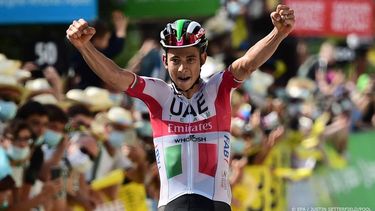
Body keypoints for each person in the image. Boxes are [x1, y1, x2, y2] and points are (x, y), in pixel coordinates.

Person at [66, 4, 295, 211]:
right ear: (165, 61)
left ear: (203, 58)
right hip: (171, 205)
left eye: (190, 59)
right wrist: (84, 47)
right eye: (175, 60)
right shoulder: (159, 93)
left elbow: (247, 64)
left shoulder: (218, 88)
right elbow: (116, 76)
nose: (182, 68)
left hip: (212, 204)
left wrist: (278, 34)